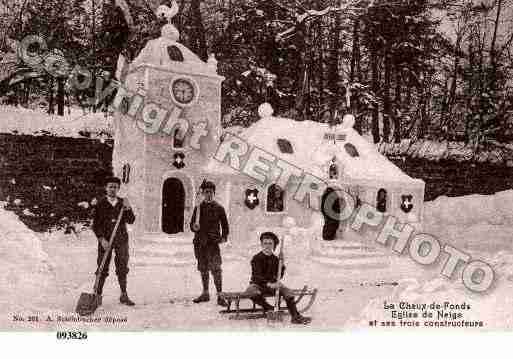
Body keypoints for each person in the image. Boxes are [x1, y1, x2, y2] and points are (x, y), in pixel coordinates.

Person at [245, 232, 311, 325]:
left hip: (273, 285)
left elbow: (279, 276)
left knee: (288, 291)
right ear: (261, 244)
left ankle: (295, 316)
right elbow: (257, 276)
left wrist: (282, 264)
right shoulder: (256, 258)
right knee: (250, 291)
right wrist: (268, 284)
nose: (267, 246)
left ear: (273, 245)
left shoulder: (275, 259)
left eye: (270, 243)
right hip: (258, 285)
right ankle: (269, 308)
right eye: (265, 243)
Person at [92, 176, 136, 307]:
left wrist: (128, 208)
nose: (112, 189)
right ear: (106, 188)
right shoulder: (100, 204)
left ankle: (124, 294)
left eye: (115, 187)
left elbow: (131, 220)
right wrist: (101, 239)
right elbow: (96, 225)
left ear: (118, 189)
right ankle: (97, 296)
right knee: (102, 267)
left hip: (121, 240)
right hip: (105, 240)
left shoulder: (123, 202)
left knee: (122, 267)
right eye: (110, 186)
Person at [190, 180, 229, 306]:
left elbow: (225, 226)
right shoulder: (198, 208)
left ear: (214, 193)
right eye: (206, 192)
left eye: (211, 192)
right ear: (203, 193)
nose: (209, 195)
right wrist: (194, 227)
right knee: (203, 268)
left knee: (216, 269)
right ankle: (205, 293)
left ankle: (220, 296)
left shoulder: (219, 208)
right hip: (200, 243)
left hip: (213, 244)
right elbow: (192, 225)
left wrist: (224, 237)